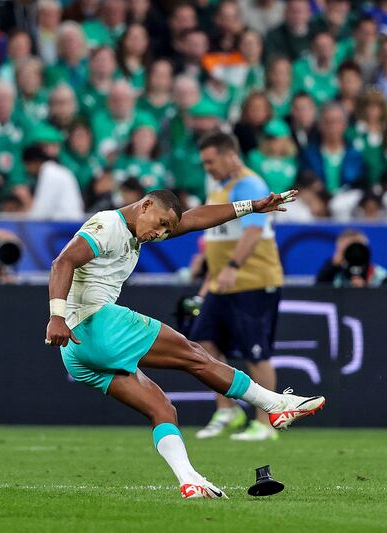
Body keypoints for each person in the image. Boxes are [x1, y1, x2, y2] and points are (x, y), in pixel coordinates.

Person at [45, 187, 324, 499]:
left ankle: (190, 480)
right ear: (146, 205)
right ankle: (275, 405)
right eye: (161, 223)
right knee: (195, 355)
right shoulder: (108, 224)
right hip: (96, 324)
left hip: (78, 352)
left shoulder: (141, 229)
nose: (161, 232)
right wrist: (56, 316)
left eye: (167, 228)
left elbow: (194, 219)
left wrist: (251, 207)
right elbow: (63, 261)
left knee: (162, 408)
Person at [189, 131, 287, 442]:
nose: (207, 168)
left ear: (230, 155)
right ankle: (228, 409)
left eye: (210, 161)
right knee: (202, 342)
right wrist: (207, 272)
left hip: (253, 281)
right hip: (221, 283)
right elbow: (218, 235)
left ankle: (266, 421)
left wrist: (233, 266)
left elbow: (253, 231)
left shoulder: (250, 185)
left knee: (256, 353)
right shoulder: (218, 186)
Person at [315, 229, 387, 287]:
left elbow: (386, 302)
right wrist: (333, 265)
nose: (353, 254)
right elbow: (318, 293)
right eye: (346, 250)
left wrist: (366, 289)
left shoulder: (381, 276)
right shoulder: (333, 273)